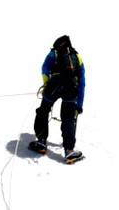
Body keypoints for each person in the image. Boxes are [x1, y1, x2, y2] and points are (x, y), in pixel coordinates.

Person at [28, 35, 85, 163]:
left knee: (43, 110)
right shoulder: (77, 57)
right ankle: (69, 151)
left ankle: (41, 141)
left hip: (54, 84)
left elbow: (44, 68)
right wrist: (79, 105)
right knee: (69, 117)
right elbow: (82, 82)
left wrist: (46, 84)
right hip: (71, 87)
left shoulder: (54, 52)